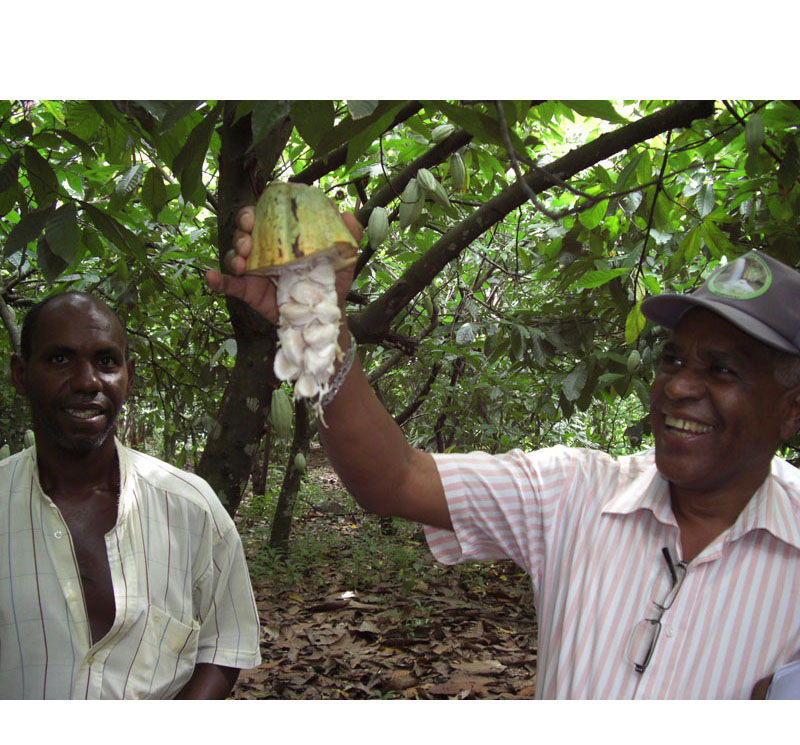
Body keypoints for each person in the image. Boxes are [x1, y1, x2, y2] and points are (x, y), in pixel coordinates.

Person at [208, 209, 800, 699]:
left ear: (791, 410)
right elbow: (396, 478)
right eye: (673, 359)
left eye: (721, 369)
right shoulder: (577, 491)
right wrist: (317, 325)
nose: (678, 386)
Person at [0, 292, 261, 699]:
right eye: (59, 359)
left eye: (106, 362)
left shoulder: (190, 508)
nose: (87, 382)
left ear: (129, 376)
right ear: (20, 374)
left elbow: (224, 644)